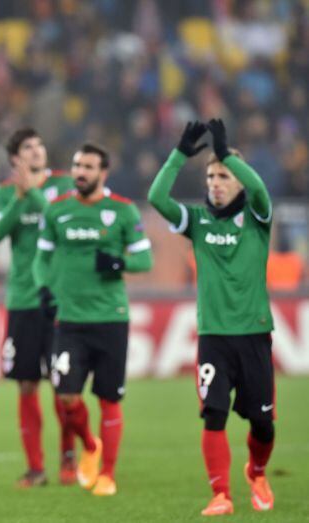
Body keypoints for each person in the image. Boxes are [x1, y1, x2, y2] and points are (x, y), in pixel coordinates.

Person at [148, 120, 276, 516]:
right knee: (214, 414)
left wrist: (225, 152)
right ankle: (221, 493)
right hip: (214, 337)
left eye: (223, 175)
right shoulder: (199, 222)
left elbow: (258, 189)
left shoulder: (257, 217)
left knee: (263, 424)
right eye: (211, 175)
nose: (216, 182)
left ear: (236, 180)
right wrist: (180, 155)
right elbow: (157, 196)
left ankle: (256, 471)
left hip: (254, 334)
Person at [33, 143, 153, 497]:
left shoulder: (124, 211)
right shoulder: (56, 211)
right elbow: (42, 259)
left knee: (109, 399)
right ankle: (89, 444)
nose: (80, 172)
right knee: (67, 397)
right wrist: (43, 289)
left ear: (104, 172)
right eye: (76, 165)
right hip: (69, 320)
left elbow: (144, 262)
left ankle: (108, 474)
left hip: (111, 319)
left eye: (88, 166)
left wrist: (118, 263)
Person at [0, 128, 75, 487]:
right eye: (28, 147)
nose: (37, 151)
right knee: (26, 385)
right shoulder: (6, 193)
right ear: (15, 159)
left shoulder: (65, 185)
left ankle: (69, 458)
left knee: (62, 384)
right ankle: (36, 467)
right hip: (22, 299)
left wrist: (34, 193)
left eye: (39, 145)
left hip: (57, 299)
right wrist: (19, 197)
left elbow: (60, 223)